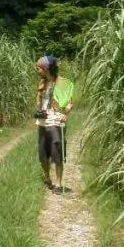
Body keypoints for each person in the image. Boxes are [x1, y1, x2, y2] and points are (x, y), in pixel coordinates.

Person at [35, 55, 72, 193]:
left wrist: (66, 115)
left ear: (46, 68)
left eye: (38, 68)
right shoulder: (42, 83)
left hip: (56, 122)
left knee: (57, 154)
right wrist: (38, 109)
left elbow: (70, 101)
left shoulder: (63, 83)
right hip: (43, 122)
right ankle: (47, 178)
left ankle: (58, 184)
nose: (37, 70)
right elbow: (39, 101)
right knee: (43, 155)